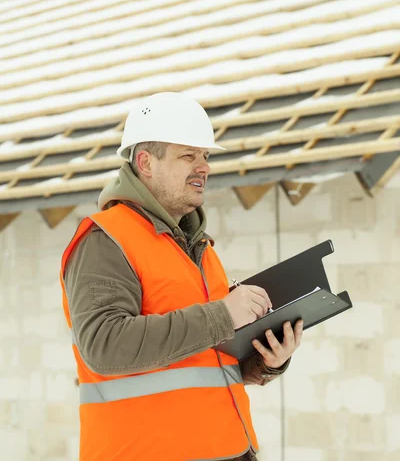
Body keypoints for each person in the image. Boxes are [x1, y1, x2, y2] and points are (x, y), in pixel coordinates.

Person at [60, 92, 303, 461]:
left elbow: (202, 359)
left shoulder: (197, 246)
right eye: (188, 156)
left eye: (205, 156)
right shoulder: (106, 239)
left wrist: (264, 361)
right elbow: (104, 345)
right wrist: (224, 314)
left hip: (230, 451)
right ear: (145, 162)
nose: (203, 166)